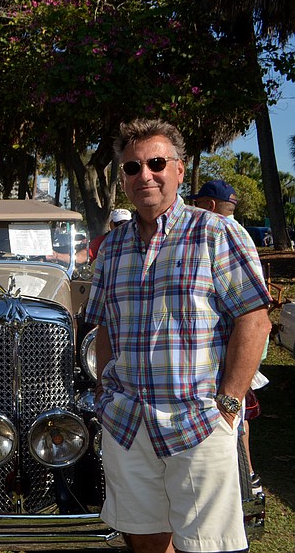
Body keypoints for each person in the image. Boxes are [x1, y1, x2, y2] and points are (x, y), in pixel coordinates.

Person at [86, 119, 271, 553]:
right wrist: (104, 393)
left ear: (180, 170)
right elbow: (106, 326)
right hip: (128, 423)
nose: (144, 175)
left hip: (199, 423)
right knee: (146, 542)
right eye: (132, 168)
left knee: (208, 546)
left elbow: (255, 319)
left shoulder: (216, 233)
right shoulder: (112, 248)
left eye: (155, 163)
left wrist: (228, 402)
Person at [188, 178, 268, 494]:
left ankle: (246, 477)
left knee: (236, 414)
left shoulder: (224, 234)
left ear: (208, 205)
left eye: (197, 202)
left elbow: (251, 317)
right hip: (241, 347)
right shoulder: (241, 232)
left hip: (235, 349)